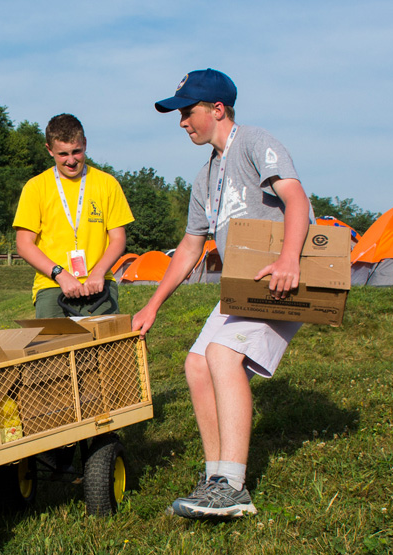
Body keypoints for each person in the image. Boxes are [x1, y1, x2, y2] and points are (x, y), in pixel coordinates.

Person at [133, 68, 314, 520]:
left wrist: (290, 258)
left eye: (187, 112)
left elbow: (296, 199)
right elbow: (191, 247)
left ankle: (232, 486)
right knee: (196, 365)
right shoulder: (204, 177)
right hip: (241, 286)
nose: (182, 123)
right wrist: (152, 304)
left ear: (217, 109)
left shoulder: (254, 142)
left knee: (220, 355)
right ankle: (216, 478)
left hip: (276, 279)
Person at [13, 114, 133, 318]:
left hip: (99, 283)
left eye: (76, 151)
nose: (71, 160)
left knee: (109, 348)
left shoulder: (107, 183)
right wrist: (60, 274)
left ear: (85, 144)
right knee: (55, 348)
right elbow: (24, 244)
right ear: (49, 150)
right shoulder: (35, 187)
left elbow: (118, 238)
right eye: (63, 154)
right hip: (52, 285)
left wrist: (98, 272)